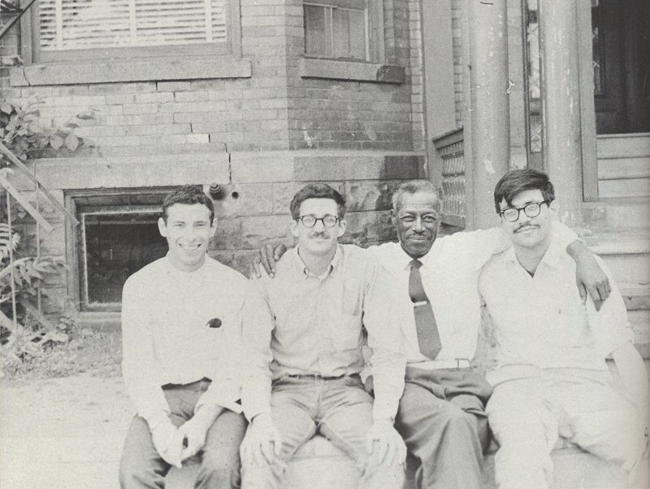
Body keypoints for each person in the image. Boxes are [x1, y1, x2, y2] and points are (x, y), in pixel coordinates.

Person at [253, 179, 610, 489]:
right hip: (408, 378)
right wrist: (278, 247)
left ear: (440, 218)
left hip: (463, 380)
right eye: (408, 217)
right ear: (393, 218)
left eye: (428, 218)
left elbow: (527, 223)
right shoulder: (373, 261)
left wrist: (581, 253)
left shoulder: (465, 249)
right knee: (452, 424)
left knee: (466, 424)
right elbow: (321, 243)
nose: (418, 227)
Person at [479, 169, 649, 489]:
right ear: (501, 220)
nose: (523, 219)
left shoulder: (588, 269)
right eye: (511, 212)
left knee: (637, 440)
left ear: (552, 209)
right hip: (517, 388)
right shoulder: (488, 272)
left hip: (583, 385)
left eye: (532, 207)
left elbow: (621, 347)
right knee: (520, 457)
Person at [240, 183, 407, 489]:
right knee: (259, 457)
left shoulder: (364, 268)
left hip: (346, 393)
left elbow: (387, 351)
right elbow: (253, 356)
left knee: (386, 457)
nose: (319, 228)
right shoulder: (269, 274)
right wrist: (260, 419)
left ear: (341, 226)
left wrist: (384, 420)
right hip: (287, 394)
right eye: (309, 219)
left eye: (329, 219)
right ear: (294, 227)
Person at [119, 185, 260, 489]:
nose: (190, 236)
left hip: (219, 400)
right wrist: (159, 425)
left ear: (213, 227)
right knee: (134, 473)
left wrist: (202, 422)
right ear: (163, 228)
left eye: (199, 225)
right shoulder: (140, 286)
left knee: (221, 468)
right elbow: (137, 366)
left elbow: (234, 365)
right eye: (180, 225)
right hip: (163, 396)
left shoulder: (235, 285)